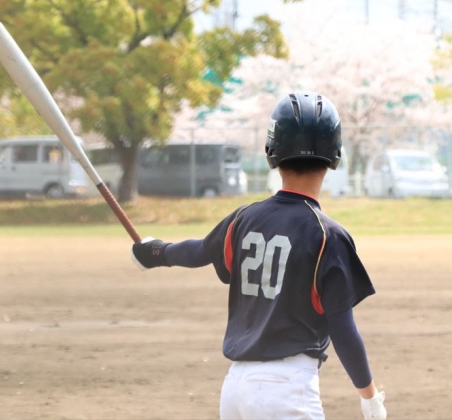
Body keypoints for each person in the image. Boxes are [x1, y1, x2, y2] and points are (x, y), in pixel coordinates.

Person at [131, 92, 387, 420]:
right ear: (334, 153)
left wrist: (155, 251)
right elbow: (342, 328)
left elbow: (197, 251)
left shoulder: (244, 218)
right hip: (287, 388)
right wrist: (369, 397)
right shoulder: (328, 235)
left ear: (272, 151)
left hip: (235, 387)